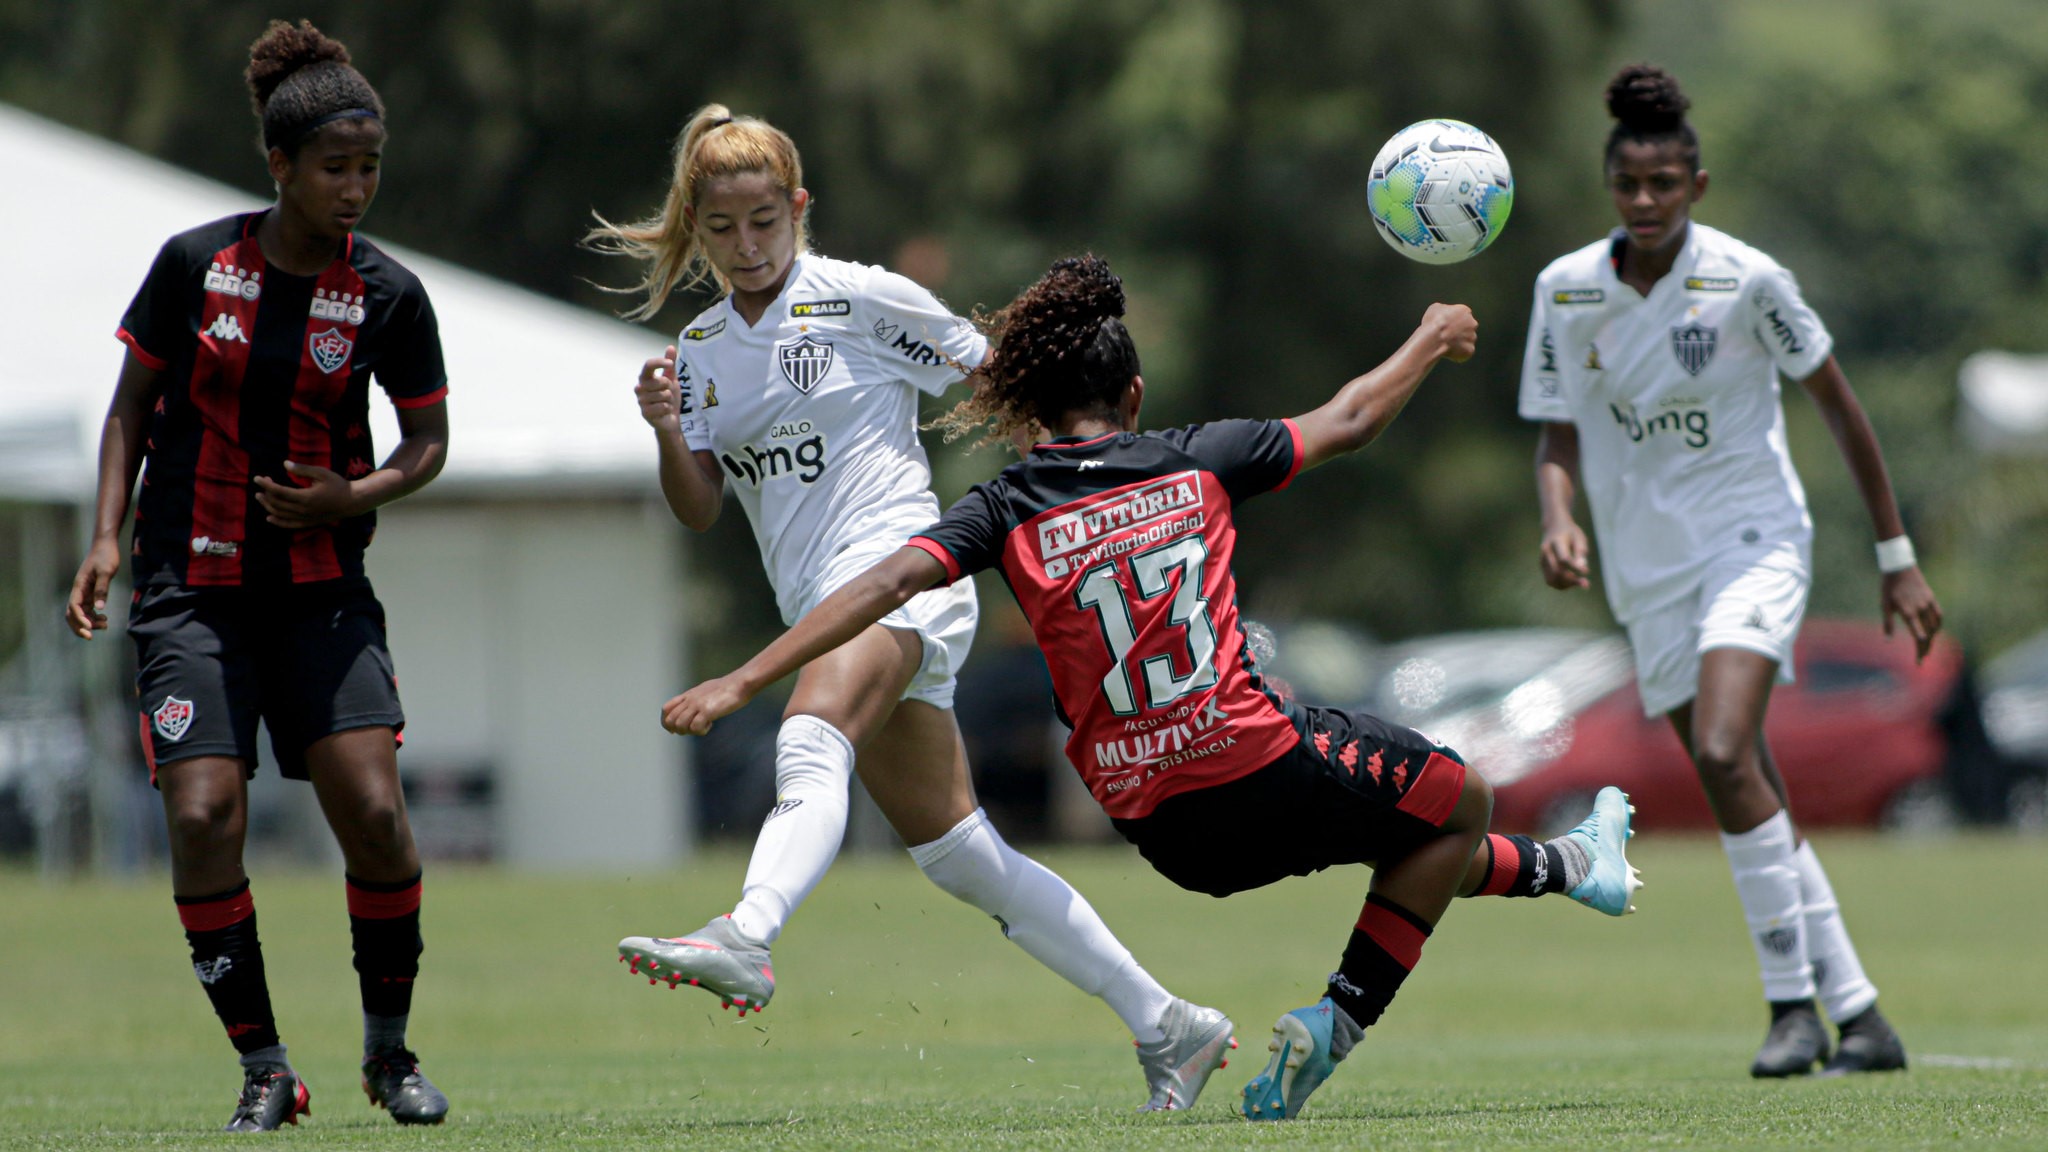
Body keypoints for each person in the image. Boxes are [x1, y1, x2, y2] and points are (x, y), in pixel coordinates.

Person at [658, 255, 1643, 1121]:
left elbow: (877, 586)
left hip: (1161, 832)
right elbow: (1348, 418)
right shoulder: (1195, 457)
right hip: (1260, 761)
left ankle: (1571, 869)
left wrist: (745, 675)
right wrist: (1429, 337)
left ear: (1032, 412)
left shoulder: (998, 508)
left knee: (1414, 834)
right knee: (1458, 801)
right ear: (1131, 396)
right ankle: (1336, 1021)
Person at [586, 107, 1234, 1111]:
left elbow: (1000, 378)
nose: (747, 247)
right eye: (722, 229)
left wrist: (1071, 502)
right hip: (820, 598)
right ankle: (1171, 1026)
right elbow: (700, 507)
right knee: (961, 856)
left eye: (765, 221)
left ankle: (746, 935)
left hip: (900, 575)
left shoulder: (859, 299)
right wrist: (670, 430)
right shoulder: (703, 349)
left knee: (808, 738)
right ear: (695, 224)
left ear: (798, 208)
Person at [61, 20, 453, 1133]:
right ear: (279, 165)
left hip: (323, 591)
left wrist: (350, 497)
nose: (356, 188)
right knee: (202, 813)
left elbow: (425, 446)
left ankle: (388, 1053)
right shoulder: (196, 265)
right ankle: (266, 1069)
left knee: (375, 814)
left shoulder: (389, 295)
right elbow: (130, 409)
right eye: (336, 167)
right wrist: (103, 539)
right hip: (190, 589)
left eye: (370, 167)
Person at [1518, 64, 1939, 1078]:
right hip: (1647, 570)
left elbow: (1840, 407)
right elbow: (1555, 434)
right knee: (1741, 779)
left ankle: (1789, 1008)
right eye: (1630, 186)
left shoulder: (1746, 279)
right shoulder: (1563, 289)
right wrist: (1557, 520)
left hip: (1751, 541)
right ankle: (1861, 1017)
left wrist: (1895, 557)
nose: (1647, 202)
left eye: (1666, 184)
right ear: (1609, 187)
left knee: (1717, 746)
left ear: (1696, 186)